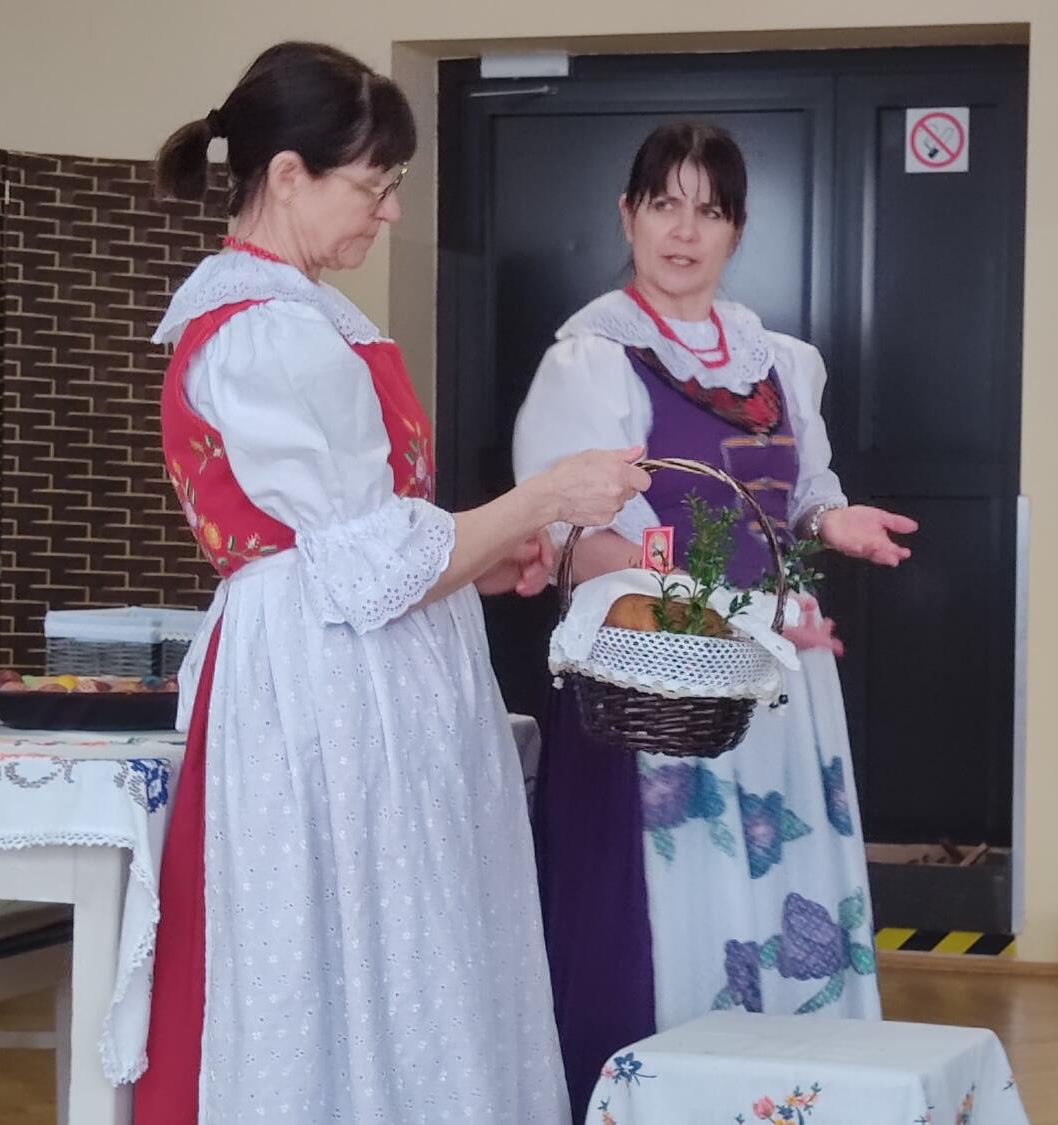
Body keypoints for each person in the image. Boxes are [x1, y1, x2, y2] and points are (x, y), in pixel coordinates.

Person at [136, 41, 649, 1124]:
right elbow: (368, 564)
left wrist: (479, 555)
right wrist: (543, 498)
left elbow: (369, 543)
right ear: (289, 176)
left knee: (408, 954)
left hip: (353, 664)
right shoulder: (268, 333)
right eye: (373, 186)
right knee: (363, 958)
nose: (390, 213)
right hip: (323, 684)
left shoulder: (293, 314)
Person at [512, 121, 917, 1120]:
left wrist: (833, 522)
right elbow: (569, 534)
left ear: (737, 228)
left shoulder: (784, 363)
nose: (684, 232)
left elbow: (804, 496)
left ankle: (790, 1097)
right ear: (628, 216)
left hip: (775, 681)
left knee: (779, 900)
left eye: (710, 210)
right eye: (664, 206)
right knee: (676, 911)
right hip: (654, 679)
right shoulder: (591, 360)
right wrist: (704, 614)